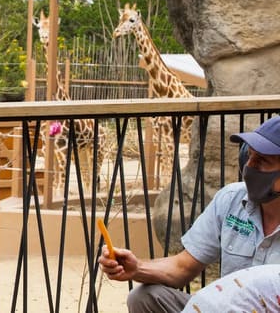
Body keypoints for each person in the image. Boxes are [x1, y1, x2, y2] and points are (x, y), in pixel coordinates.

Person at [98, 115, 280, 312]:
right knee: (144, 297)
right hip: (223, 308)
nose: (249, 166)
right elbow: (182, 267)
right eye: (249, 156)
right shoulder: (230, 200)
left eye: (261, 161)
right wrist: (136, 268)